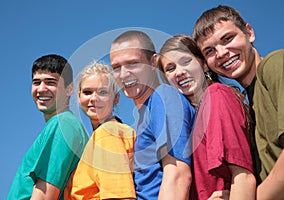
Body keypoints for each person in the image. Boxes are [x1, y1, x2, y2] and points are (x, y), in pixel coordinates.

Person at [193, 5, 284, 199]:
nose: (221, 53)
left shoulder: (275, 63)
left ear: (249, 33)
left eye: (228, 39)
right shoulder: (247, 105)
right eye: (209, 50)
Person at [156, 34, 256, 200]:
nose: (179, 72)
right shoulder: (192, 120)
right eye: (170, 68)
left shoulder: (216, 95)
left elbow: (243, 177)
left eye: (186, 61)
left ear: (203, 64)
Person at [109, 30, 195, 200]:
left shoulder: (163, 96)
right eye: (117, 67)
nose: (124, 74)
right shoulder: (146, 114)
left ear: (154, 62)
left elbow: (178, 175)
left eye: (133, 63)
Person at [8, 54, 88, 199]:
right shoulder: (61, 124)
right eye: (36, 82)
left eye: (50, 82)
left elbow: (45, 195)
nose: (41, 89)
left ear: (69, 89)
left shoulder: (63, 124)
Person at [64, 62, 136, 200]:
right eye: (87, 92)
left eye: (102, 92)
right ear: (79, 97)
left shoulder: (107, 133)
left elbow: (119, 197)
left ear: (116, 98)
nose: (94, 98)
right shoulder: (112, 133)